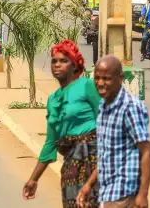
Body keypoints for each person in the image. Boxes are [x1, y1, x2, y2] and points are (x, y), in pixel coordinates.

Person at [24, 40, 100, 207]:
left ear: (75, 65)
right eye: (54, 61)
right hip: (71, 168)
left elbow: (107, 125)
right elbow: (50, 143)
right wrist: (33, 179)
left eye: (63, 61)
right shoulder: (53, 99)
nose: (57, 65)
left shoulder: (87, 86)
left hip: (95, 163)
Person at [77, 56, 150, 208]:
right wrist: (88, 185)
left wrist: (143, 194)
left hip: (125, 195)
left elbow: (147, 152)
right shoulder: (104, 107)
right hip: (109, 193)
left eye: (106, 78)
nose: (100, 83)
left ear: (120, 78)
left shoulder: (130, 107)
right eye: (97, 78)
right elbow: (107, 154)